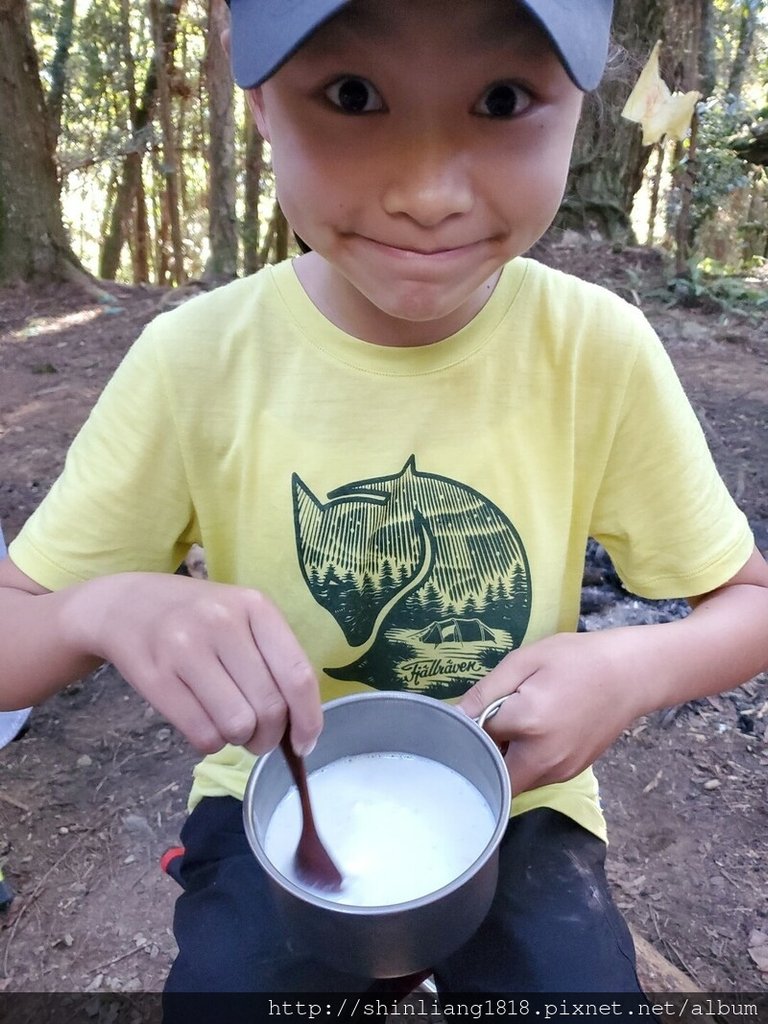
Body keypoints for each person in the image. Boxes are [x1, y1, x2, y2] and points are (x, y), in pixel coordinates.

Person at [1, 0, 767, 1001]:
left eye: (502, 99)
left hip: (519, 788)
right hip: (273, 785)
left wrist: (628, 669)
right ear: (260, 96)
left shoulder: (596, 353)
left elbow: (747, 604)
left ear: (584, 108)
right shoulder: (196, 362)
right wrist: (100, 608)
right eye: (354, 96)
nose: (428, 192)